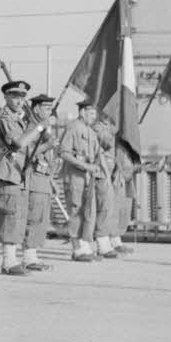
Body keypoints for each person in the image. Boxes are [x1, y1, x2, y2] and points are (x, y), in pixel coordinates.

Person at [0, 79, 48, 277]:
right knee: (10, 216)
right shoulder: (5, 118)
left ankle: (17, 258)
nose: (19, 100)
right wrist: (38, 128)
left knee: (21, 216)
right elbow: (19, 143)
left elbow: (31, 149)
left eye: (22, 97)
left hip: (21, 173)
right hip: (8, 173)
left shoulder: (21, 119)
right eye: (14, 96)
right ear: (6, 97)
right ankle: (8, 260)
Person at [59, 98, 102, 262]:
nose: (93, 117)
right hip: (74, 177)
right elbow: (64, 152)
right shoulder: (73, 127)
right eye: (91, 113)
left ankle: (85, 246)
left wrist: (95, 167)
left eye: (95, 114)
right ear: (82, 112)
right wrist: (85, 166)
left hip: (88, 178)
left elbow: (96, 154)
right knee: (75, 211)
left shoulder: (91, 132)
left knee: (87, 212)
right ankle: (77, 249)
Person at [21, 94, 59, 271]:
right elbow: (26, 151)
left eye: (50, 108)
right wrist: (47, 146)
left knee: (41, 219)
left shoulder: (45, 129)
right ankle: (28, 257)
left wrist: (51, 179)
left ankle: (33, 254)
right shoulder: (32, 127)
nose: (49, 112)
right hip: (34, 176)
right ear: (36, 109)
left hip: (44, 177)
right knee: (33, 217)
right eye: (45, 108)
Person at [91, 112, 122, 259]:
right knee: (103, 208)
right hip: (100, 173)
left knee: (109, 207)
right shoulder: (98, 127)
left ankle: (106, 240)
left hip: (109, 172)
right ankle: (102, 243)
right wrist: (111, 131)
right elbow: (105, 143)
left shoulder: (109, 127)